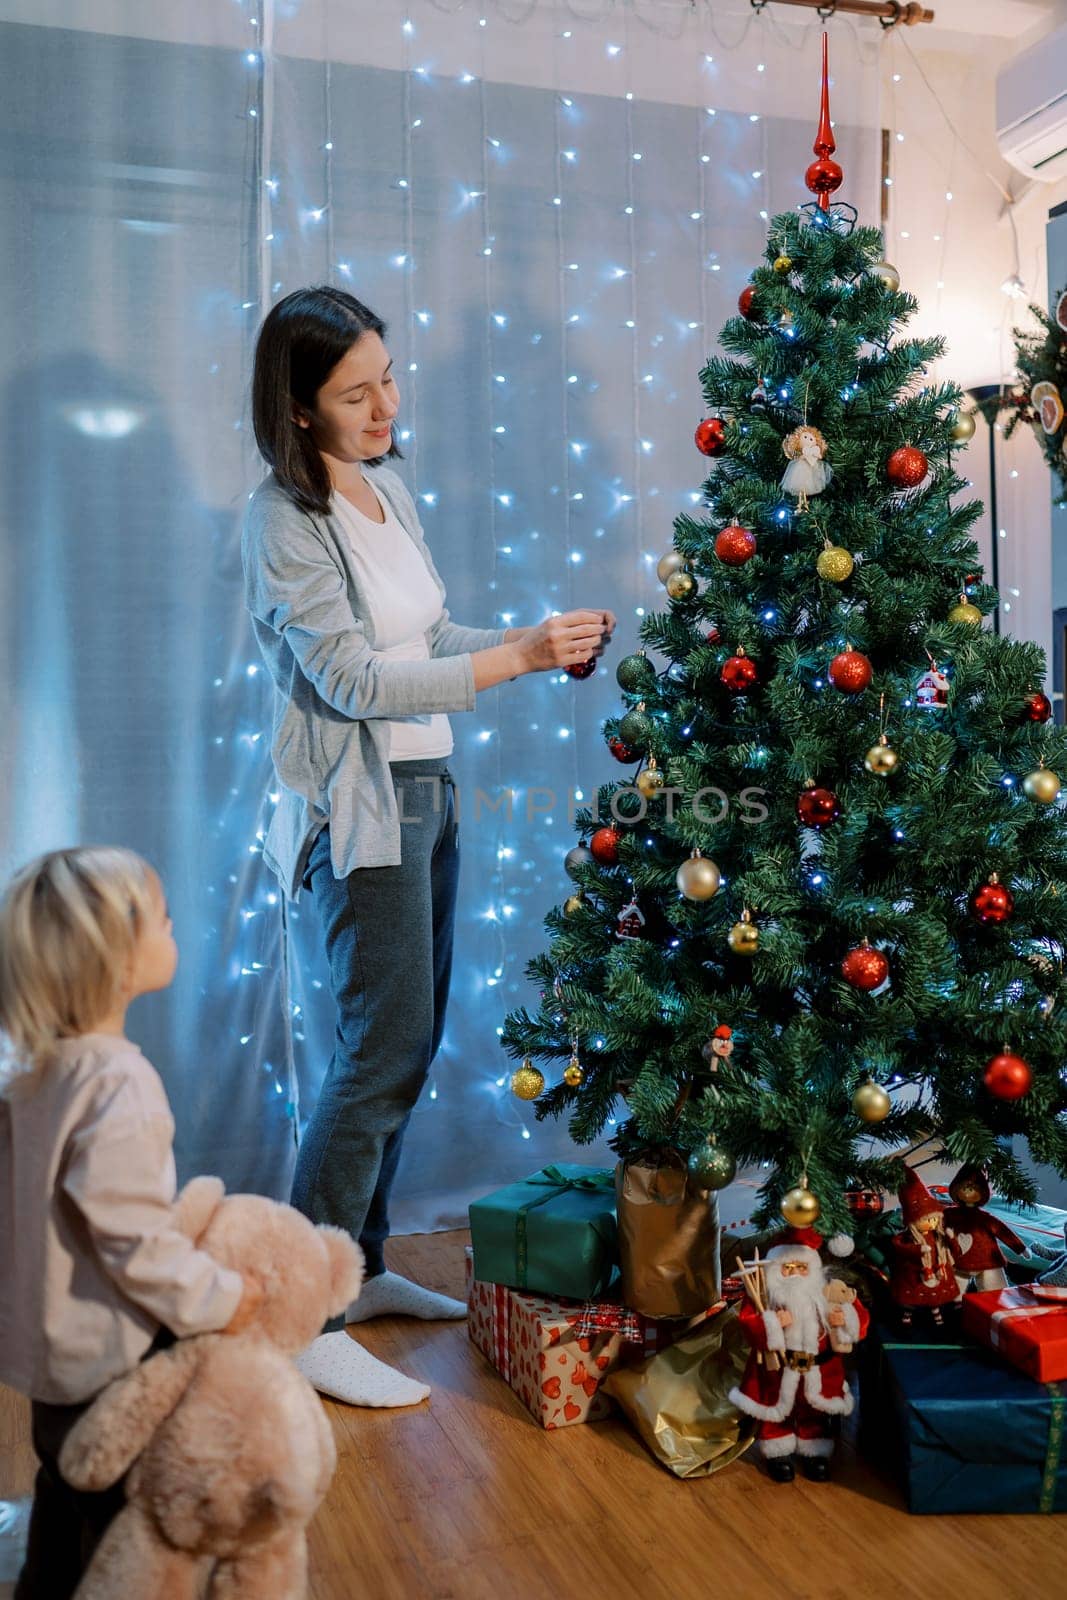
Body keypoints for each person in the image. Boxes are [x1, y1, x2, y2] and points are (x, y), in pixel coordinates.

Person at [243, 285, 616, 1407]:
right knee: (377, 1051)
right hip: (361, 805)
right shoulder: (282, 519)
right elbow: (349, 678)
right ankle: (301, 1314)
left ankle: (355, 1270)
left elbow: (424, 633)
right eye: (354, 394)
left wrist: (526, 642)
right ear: (298, 410)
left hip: (430, 786)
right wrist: (515, 661)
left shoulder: (385, 489)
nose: (383, 405)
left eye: (387, 378)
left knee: (406, 1039)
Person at [0, 847, 261, 1600]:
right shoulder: (121, 1084)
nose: (176, 925)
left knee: (63, 1476)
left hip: (47, 1344)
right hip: (103, 1353)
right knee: (120, 1509)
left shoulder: (39, 1070)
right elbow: (133, 1240)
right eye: (162, 915)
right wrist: (219, 1297)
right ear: (115, 961)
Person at [729, 1226, 868, 1483]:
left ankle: (815, 1450)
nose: (794, 1274)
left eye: (801, 1268)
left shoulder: (826, 1293)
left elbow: (859, 1318)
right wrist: (771, 1321)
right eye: (787, 1268)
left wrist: (844, 1318)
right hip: (778, 1369)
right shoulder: (765, 1296)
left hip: (820, 1368)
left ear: (812, 1269)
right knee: (777, 1405)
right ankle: (777, 1451)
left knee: (814, 1409)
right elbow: (748, 1322)